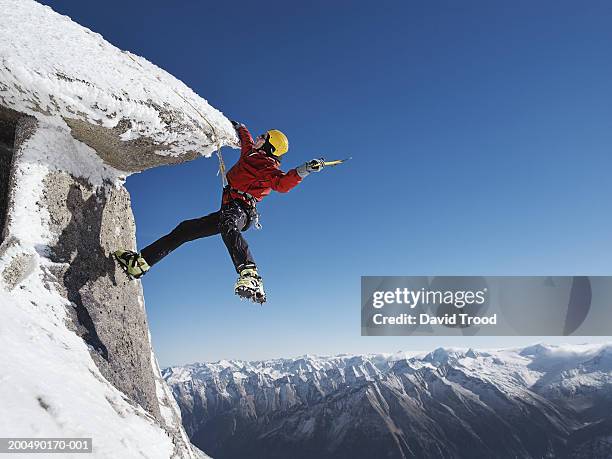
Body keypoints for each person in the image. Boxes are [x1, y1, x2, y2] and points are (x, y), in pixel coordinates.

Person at [114, 121, 325, 303]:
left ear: (270, 146)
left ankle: (250, 273)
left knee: (228, 224)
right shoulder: (251, 153)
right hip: (229, 210)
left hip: (242, 211)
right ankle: (140, 263)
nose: (259, 137)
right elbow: (246, 140)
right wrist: (239, 126)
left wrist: (303, 170)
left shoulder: (267, 167)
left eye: (264, 137)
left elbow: (282, 183)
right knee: (186, 229)